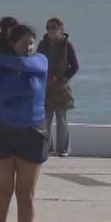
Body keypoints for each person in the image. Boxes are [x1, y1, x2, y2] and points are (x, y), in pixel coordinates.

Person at [0, 24, 49, 222]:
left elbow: (29, 64)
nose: (29, 47)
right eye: (23, 43)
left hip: (32, 132)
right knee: (2, 192)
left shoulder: (40, 61)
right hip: (2, 131)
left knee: (26, 194)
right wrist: (3, 69)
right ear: (13, 44)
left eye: (32, 42)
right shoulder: (1, 71)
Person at [36, 17, 79, 157]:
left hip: (61, 87)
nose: (50, 31)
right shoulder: (42, 45)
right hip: (46, 86)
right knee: (46, 118)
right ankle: (46, 147)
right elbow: (37, 62)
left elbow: (75, 66)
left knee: (61, 119)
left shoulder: (67, 46)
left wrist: (64, 78)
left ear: (61, 29)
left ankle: (63, 149)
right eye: (48, 28)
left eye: (53, 27)